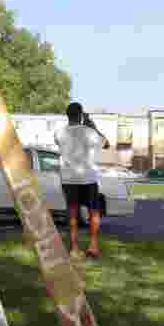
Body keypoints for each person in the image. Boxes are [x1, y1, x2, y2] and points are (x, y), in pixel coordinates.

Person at [53, 102, 110, 259]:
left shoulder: (59, 133)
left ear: (67, 115)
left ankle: (73, 248)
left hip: (68, 178)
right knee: (94, 212)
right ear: (81, 115)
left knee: (72, 212)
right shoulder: (89, 132)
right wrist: (92, 125)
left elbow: (59, 142)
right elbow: (106, 144)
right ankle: (93, 246)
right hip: (87, 177)